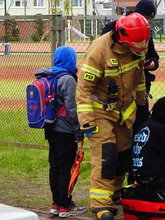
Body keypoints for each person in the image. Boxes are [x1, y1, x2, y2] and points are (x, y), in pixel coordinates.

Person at [76, 13, 150, 220]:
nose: (142, 46)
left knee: (124, 157)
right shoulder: (99, 50)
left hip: (125, 113)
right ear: (122, 37)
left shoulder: (136, 48)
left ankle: (114, 192)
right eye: (137, 43)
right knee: (106, 157)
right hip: (100, 111)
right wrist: (86, 120)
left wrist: (142, 106)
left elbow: (140, 79)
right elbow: (83, 89)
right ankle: (101, 205)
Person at [101, 0, 160, 136]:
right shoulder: (112, 28)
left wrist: (152, 63)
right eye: (145, 18)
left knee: (140, 126)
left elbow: (154, 56)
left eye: (149, 20)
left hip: (140, 87)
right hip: (116, 89)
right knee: (118, 131)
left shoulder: (146, 33)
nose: (147, 22)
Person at [42, 46, 87, 218]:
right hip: (65, 131)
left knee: (54, 166)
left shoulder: (48, 75)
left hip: (50, 128)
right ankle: (65, 205)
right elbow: (71, 109)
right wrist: (79, 130)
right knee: (66, 167)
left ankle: (56, 203)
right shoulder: (68, 79)